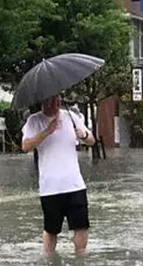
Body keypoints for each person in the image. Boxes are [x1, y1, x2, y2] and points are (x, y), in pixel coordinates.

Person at [21, 94, 95, 255]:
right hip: (50, 186)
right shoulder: (34, 121)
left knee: (81, 226)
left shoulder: (71, 116)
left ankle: (80, 260)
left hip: (74, 183)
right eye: (50, 100)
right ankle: (49, 262)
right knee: (51, 229)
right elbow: (26, 146)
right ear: (42, 101)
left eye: (57, 99)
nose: (55, 103)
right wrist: (47, 131)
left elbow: (91, 141)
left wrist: (83, 135)